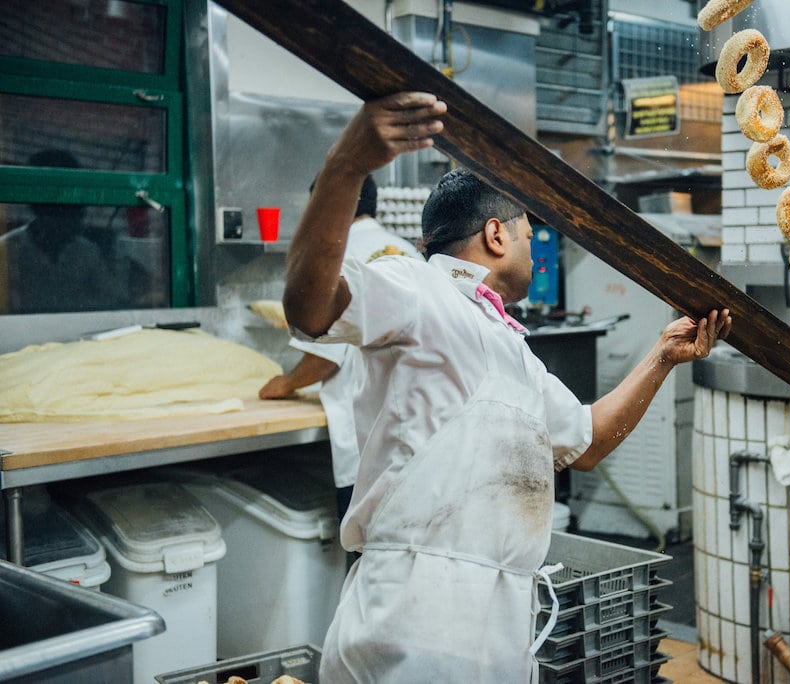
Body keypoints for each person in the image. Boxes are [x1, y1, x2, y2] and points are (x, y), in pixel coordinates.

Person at [284, 91, 732, 683]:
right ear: (496, 235)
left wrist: (662, 356)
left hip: (500, 622)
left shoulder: (510, 346)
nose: (533, 251)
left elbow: (588, 440)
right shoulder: (418, 288)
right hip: (415, 616)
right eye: (527, 235)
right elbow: (310, 310)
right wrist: (347, 163)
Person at [259, 175, 422, 530]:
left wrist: (286, 384)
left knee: (371, 560)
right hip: (417, 437)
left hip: (367, 447)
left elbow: (323, 355)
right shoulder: (408, 251)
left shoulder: (333, 259)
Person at [0, 149, 125, 313]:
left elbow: (114, 301)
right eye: (69, 209)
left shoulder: (88, 252)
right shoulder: (7, 250)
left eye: (79, 208)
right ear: (39, 207)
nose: (80, 216)